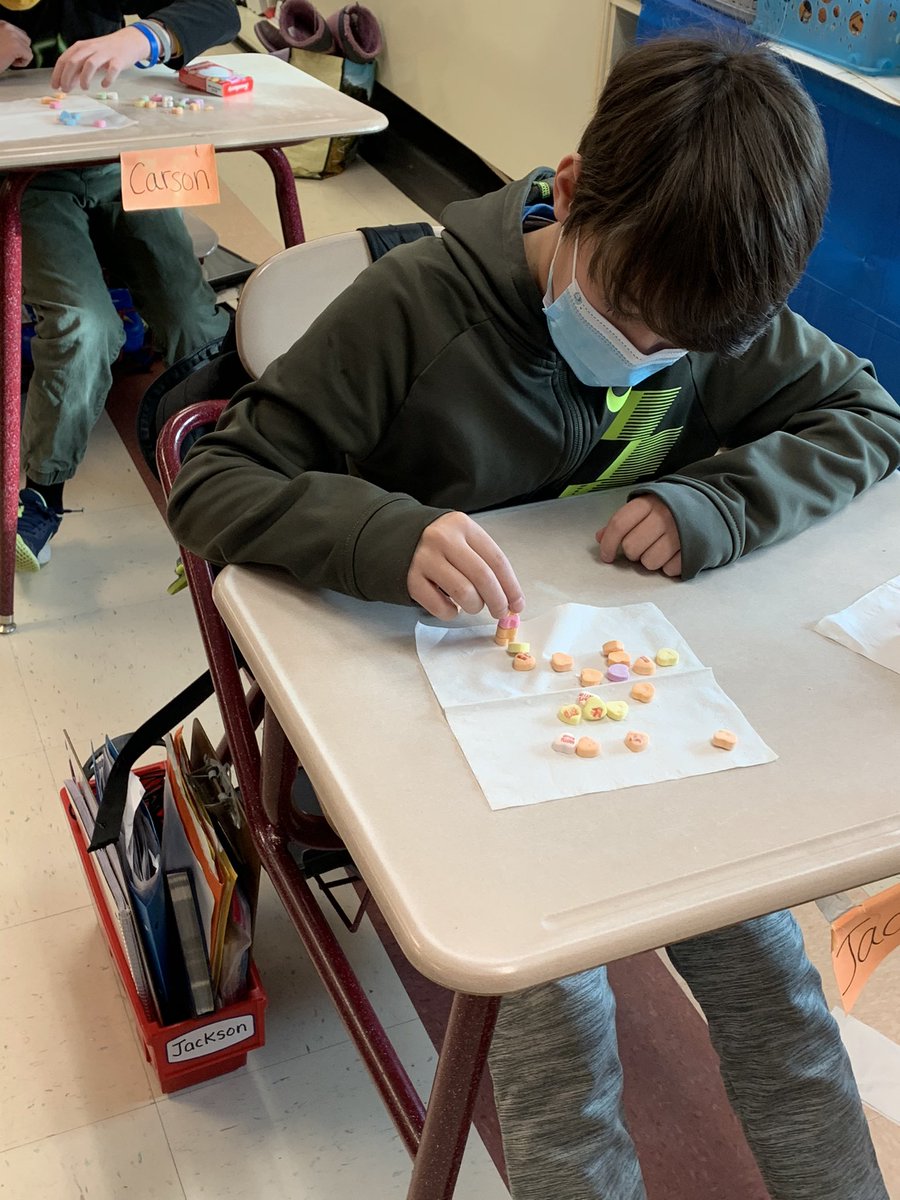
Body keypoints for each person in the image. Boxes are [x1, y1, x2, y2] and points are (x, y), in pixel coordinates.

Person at [168, 35, 897, 1200]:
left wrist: (718, 500)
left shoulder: (707, 308)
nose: (648, 356)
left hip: (622, 707)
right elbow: (215, 480)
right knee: (556, 1010)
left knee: (772, 974)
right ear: (567, 187)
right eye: (629, 312)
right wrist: (385, 532)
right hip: (432, 722)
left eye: (686, 347)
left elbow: (868, 413)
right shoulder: (416, 307)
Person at [2, 0, 239, 571]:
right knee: (84, 326)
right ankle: (42, 494)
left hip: (119, 156)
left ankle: (223, 469)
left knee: (194, 316)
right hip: (28, 177)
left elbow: (219, 11)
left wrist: (144, 38)